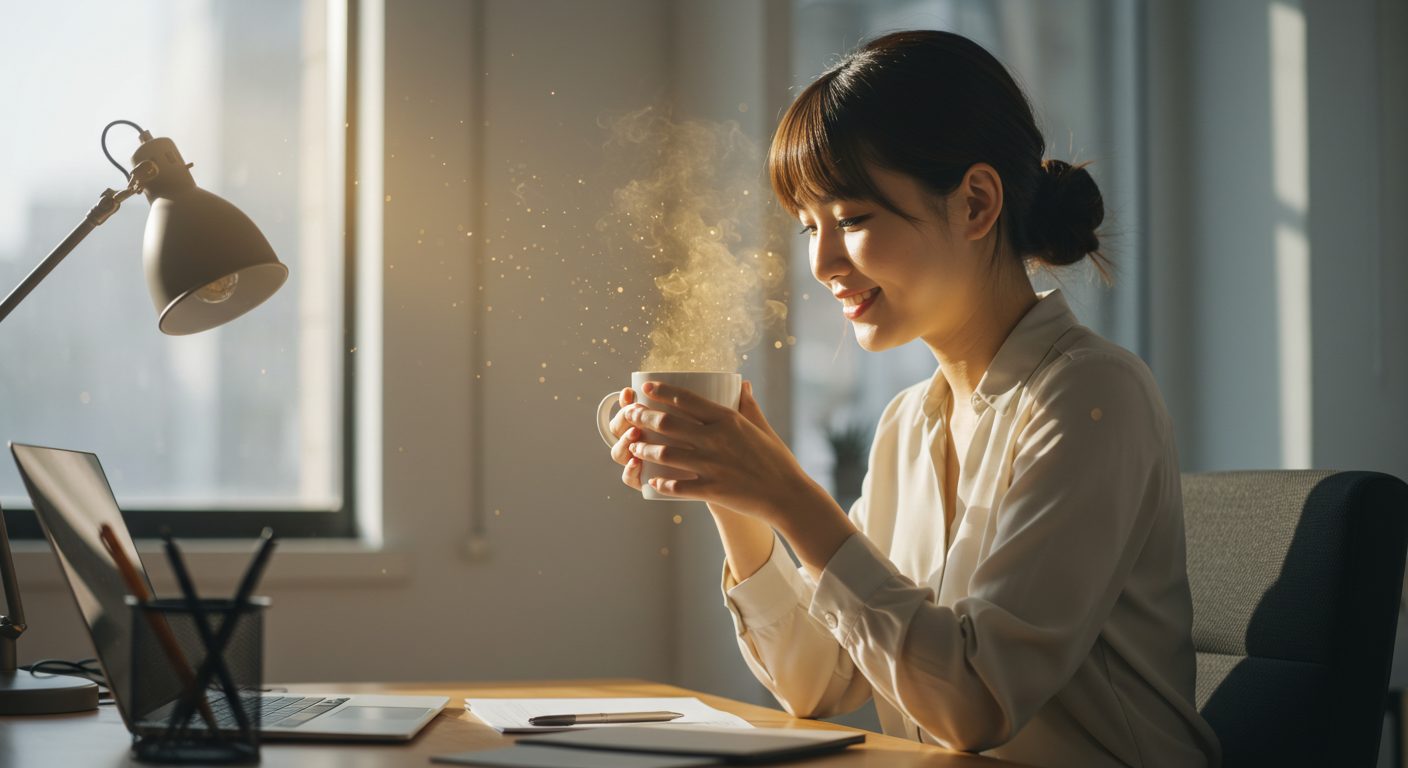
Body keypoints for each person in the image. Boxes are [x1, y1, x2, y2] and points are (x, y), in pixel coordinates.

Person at [602, 30, 1220, 768]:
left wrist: (790, 492)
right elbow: (815, 681)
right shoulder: (908, 425)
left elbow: (976, 703)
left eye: (854, 220)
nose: (824, 263)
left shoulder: (1091, 395)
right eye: (809, 228)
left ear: (977, 203)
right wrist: (735, 488)